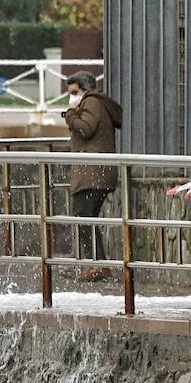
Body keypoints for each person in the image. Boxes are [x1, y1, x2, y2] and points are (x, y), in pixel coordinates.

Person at [61, 71, 123, 282]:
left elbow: (85, 129)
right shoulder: (94, 103)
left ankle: (98, 266)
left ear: (85, 90)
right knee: (86, 218)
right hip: (96, 173)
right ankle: (97, 264)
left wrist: (69, 115)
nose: (71, 97)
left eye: (74, 92)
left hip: (93, 173)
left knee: (83, 217)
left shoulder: (92, 103)